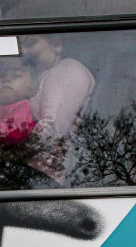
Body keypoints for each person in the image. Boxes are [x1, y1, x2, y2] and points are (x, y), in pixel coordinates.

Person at [19, 34, 95, 183]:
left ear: (56, 45)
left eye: (30, 43)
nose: (24, 52)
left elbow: (53, 126)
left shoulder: (67, 70)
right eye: (19, 47)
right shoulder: (43, 77)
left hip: (45, 174)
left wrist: (12, 155)